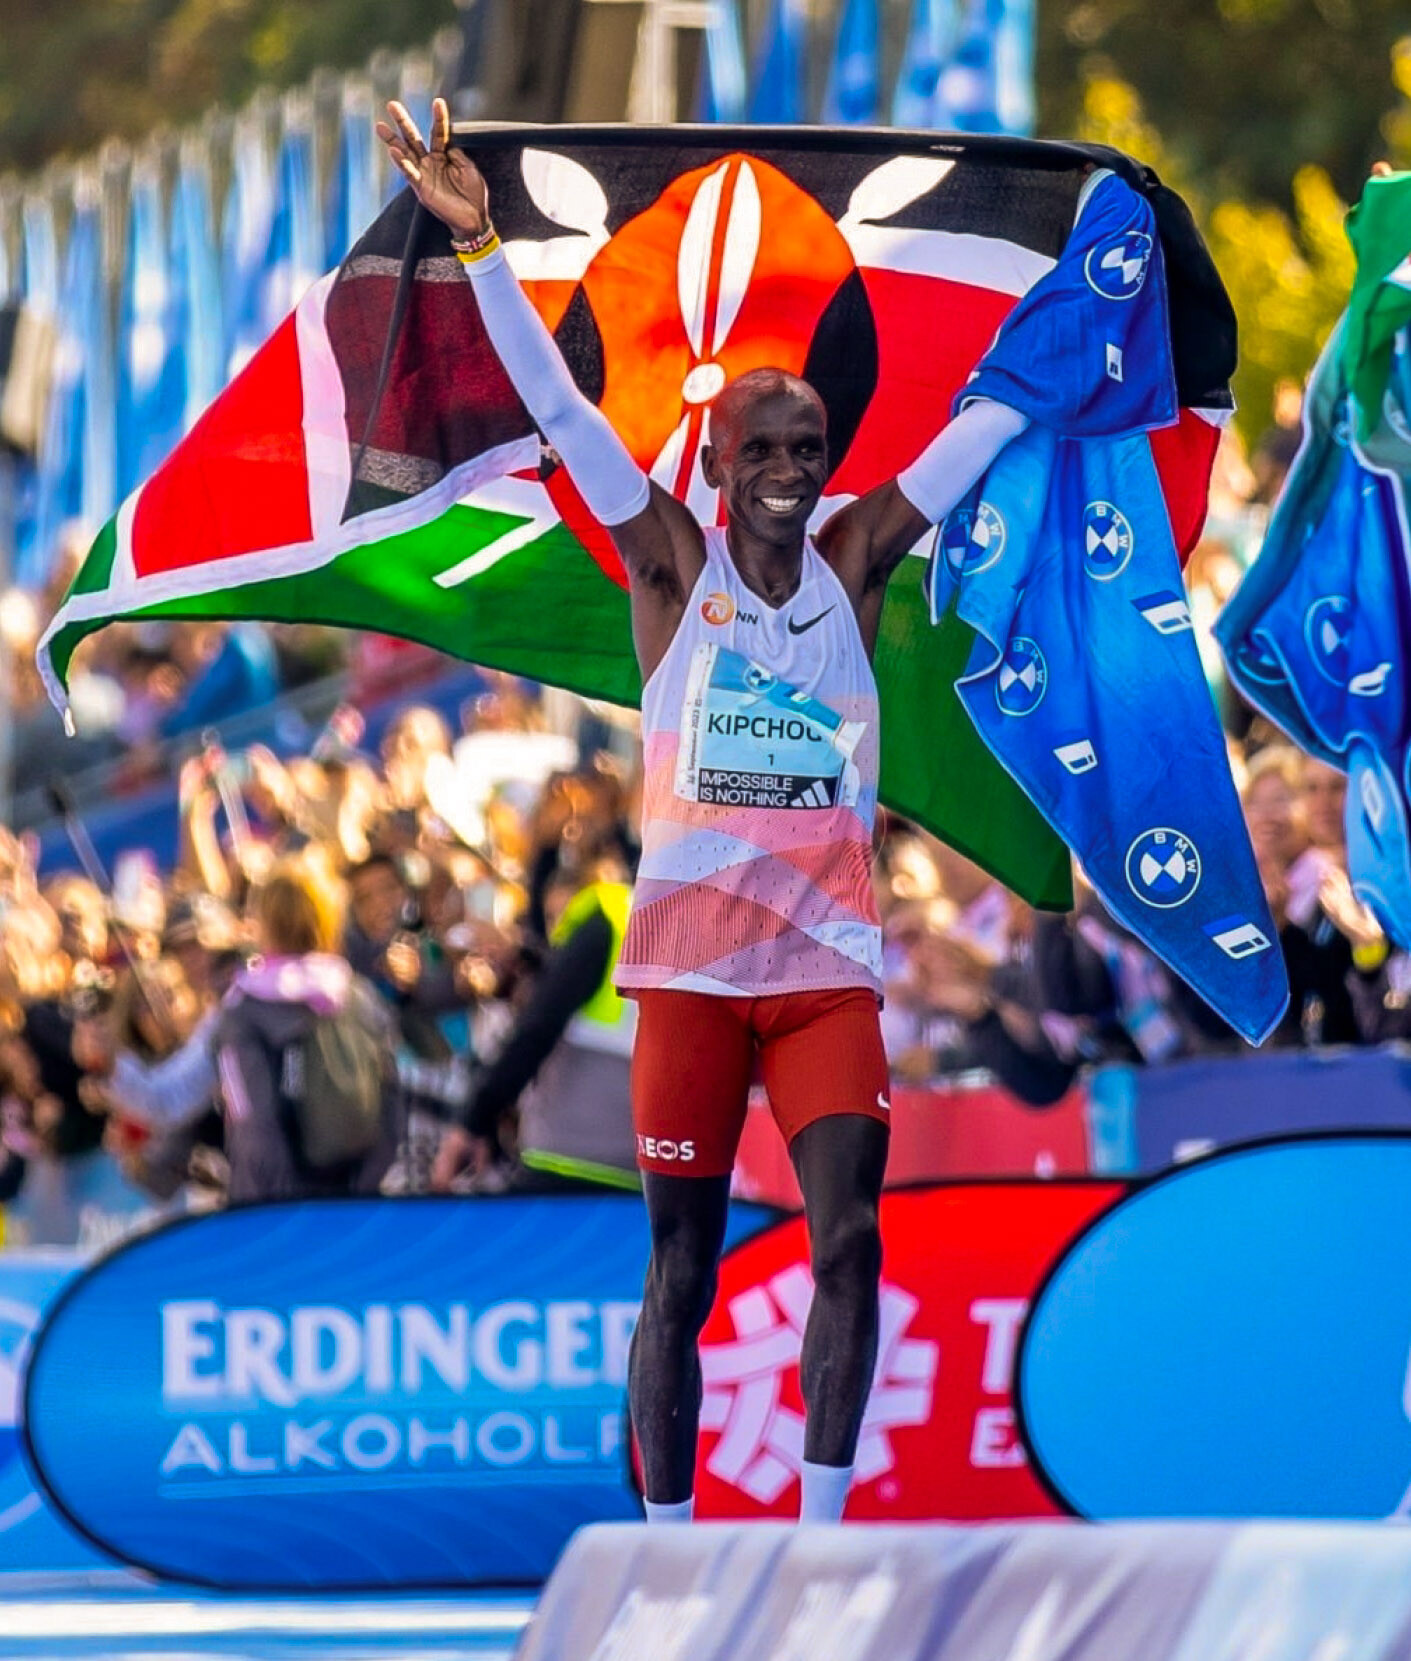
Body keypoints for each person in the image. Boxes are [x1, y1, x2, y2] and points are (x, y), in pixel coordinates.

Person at [379, 98, 1030, 1524]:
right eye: (765, 452)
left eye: (809, 448)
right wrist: (479, 244)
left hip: (823, 978)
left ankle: (817, 1539)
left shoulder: (857, 558)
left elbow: (987, 423)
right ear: (718, 463)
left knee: (848, 1243)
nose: (792, 474)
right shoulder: (671, 564)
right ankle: (671, 1551)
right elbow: (562, 412)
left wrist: (1090, 286)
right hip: (689, 979)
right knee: (681, 1269)